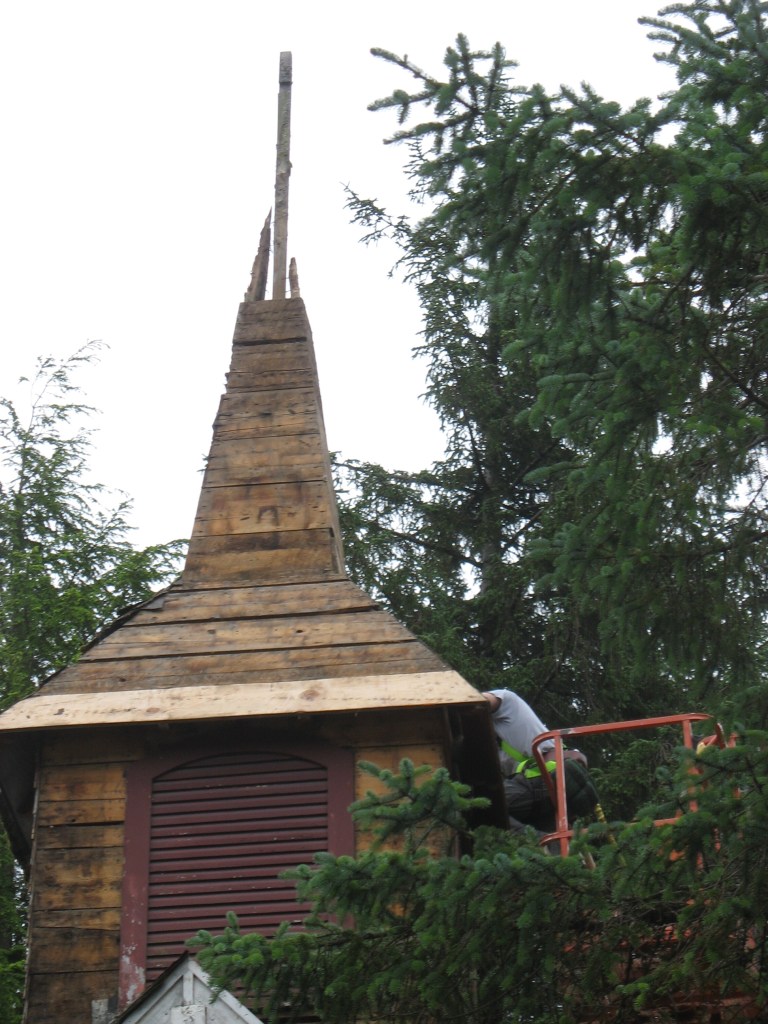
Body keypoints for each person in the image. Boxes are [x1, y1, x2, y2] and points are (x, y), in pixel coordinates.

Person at [482, 689, 596, 842]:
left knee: (483, 803)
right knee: (555, 843)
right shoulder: (495, 744)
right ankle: (546, 844)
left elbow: (475, 701)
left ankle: (537, 842)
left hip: (547, 775)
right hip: (546, 788)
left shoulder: (506, 701)